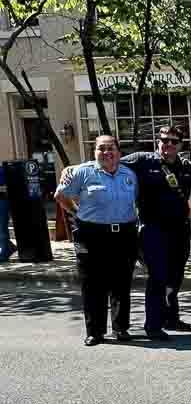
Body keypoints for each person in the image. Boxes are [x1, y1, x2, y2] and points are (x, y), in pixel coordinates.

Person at [120, 126, 191, 340]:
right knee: (158, 276)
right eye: (164, 140)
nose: (168, 144)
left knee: (175, 276)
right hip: (153, 229)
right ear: (157, 142)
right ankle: (153, 325)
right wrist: (78, 169)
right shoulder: (143, 160)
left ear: (180, 145)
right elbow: (111, 163)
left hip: (179, 230)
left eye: (173, 141)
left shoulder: (187, 167)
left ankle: (171, 317)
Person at [54, 135, 139, 346]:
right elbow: (60, 195)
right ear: (94, 152)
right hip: (92, 234)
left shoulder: (129, 174)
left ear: (119, 152)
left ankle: (121, 328)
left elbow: (135, 199)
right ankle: (95, 331)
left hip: (124, 234)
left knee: (122, 282)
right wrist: (76, 213)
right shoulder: (83, 172)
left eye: (111, 148)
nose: (107, 152)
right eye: (101, 148)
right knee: (93, 283)